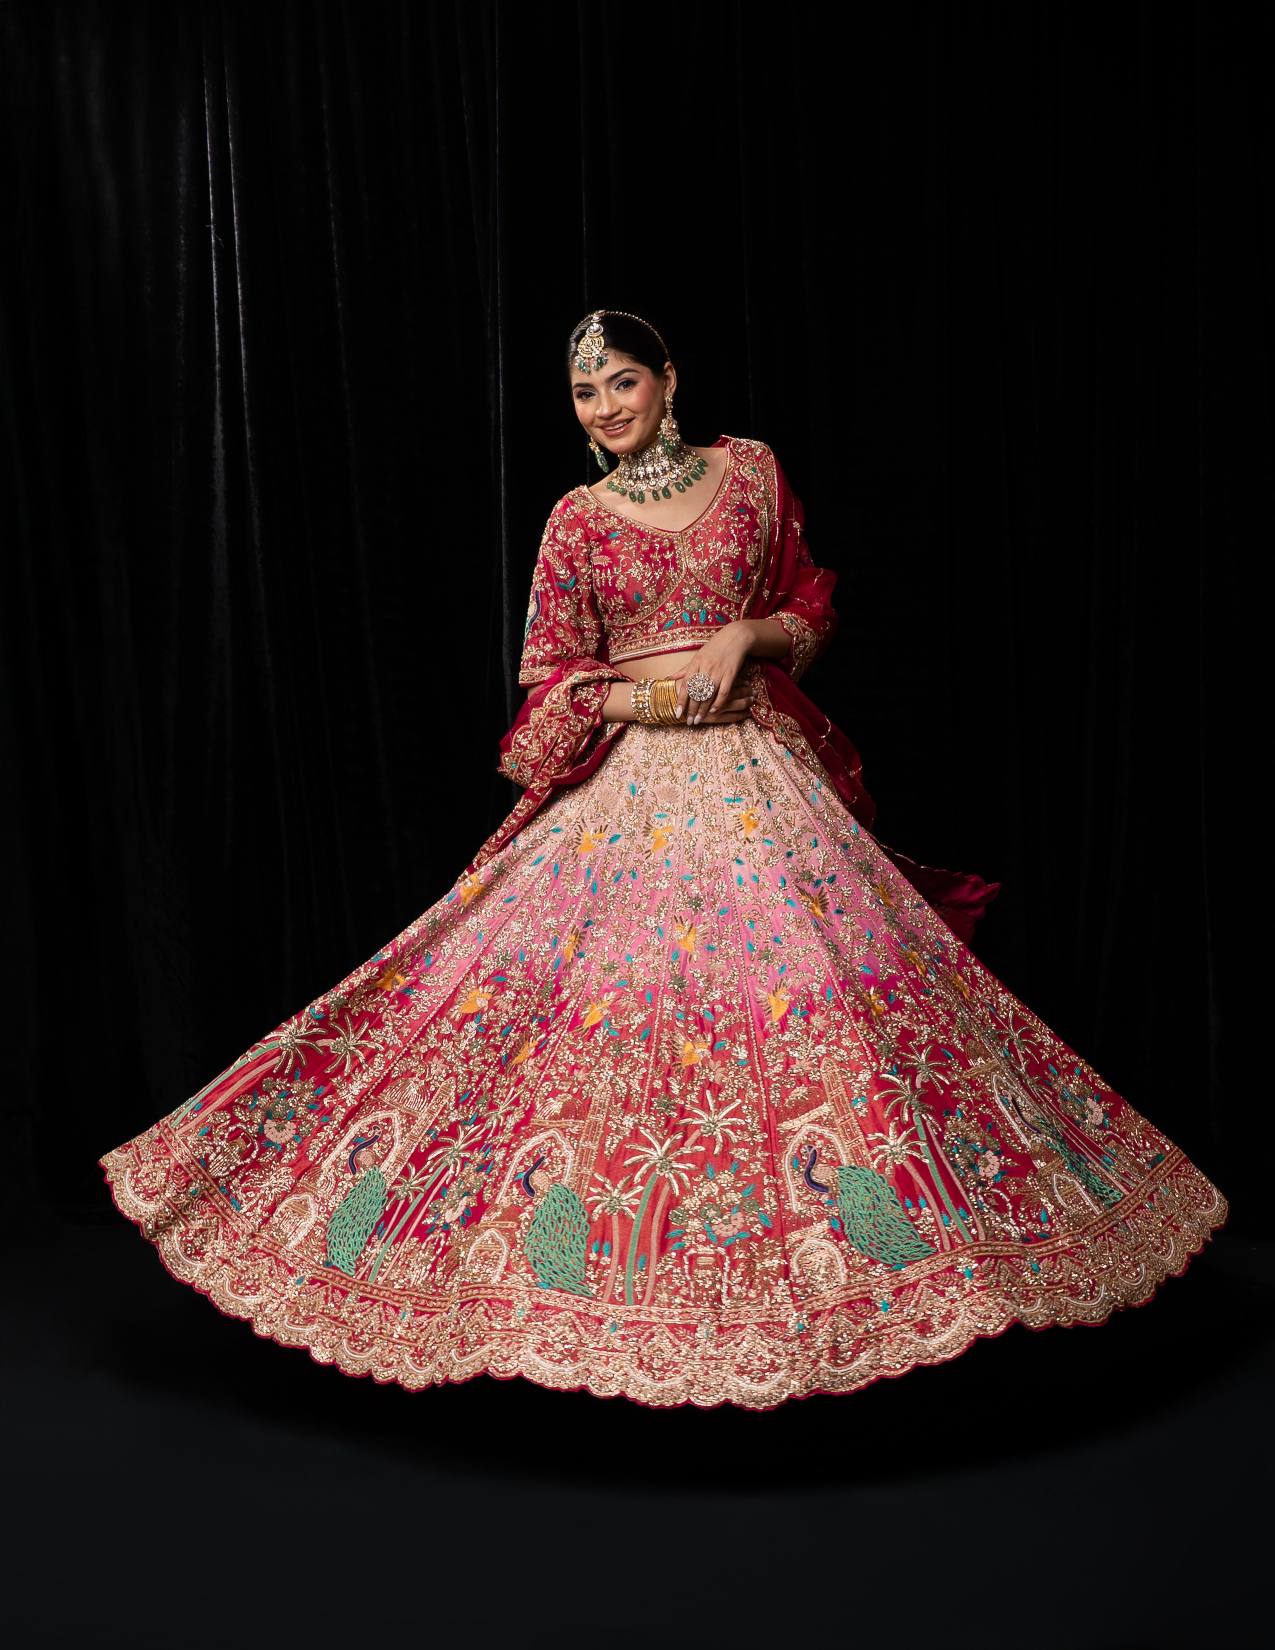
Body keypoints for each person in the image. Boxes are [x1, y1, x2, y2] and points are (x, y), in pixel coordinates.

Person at [99, 308, 1229, 1411]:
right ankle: (586, 1301)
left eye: (622, 381)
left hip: (759, 775)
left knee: (828, 1023)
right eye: (586, 392)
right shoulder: (575, 519)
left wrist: (746, 636)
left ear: (669, 379)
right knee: (588, 1041)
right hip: (633, 786)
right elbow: (547, 686)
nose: (605, 405)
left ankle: (875, 1293)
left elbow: (810, 608)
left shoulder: (750, 474)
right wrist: (643, 695)